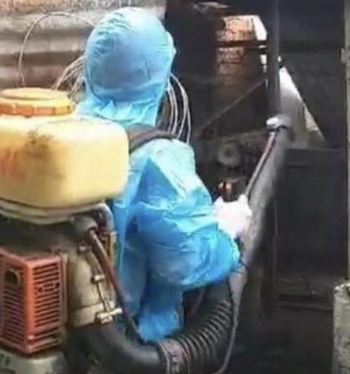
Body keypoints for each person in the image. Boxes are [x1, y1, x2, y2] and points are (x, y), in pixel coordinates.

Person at [76, 7, 251, 344]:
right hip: (128, 350)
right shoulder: (157, 158)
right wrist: (227, 229)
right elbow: (185, 263)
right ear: (159, 72)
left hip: (66, 344)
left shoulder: (63, 131)